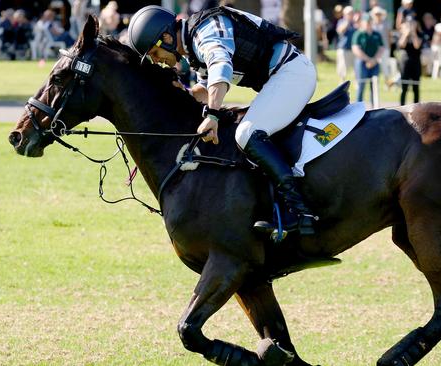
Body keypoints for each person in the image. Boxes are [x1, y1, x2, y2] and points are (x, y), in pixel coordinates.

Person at [127, 5, 318, 236]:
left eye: (155, 54)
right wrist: (183, 93)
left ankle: (300, 210)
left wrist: (213, 115)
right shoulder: (193, 49)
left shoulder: (205, 30)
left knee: (247, 133)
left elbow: (221, 67)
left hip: (292, 73)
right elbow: (207, 88)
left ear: (166, 37)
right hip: (280, 77)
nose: (158, 61)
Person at [351, 14, 385, 105]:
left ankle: (374, 106)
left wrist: (374, 59)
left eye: (370, 22)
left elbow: (381, 48)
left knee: (374, 86)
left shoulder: (376, 34)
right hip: (361, 62)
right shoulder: (358, 34)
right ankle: (357, 108)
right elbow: (355, 49)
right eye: (366, 22)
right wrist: (368, 59)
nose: (368, 24)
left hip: (375, 62)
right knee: (361, 86)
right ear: (362, 23)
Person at [398, 19, 422, 105]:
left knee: (416, 87)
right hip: (405, 63)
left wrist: (413, 33)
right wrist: (406, 34)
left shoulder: (419, 34)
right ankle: (402, 106)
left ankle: (416, 106)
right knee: (404, 87)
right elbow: (401, 44)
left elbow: (417, 46)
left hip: (415, 62)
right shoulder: (401, 35)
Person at [335, 5, 356, 82]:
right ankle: (341, 83)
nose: (351, 15)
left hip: (353, 49)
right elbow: (340, 30)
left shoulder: (355, 23)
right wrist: (347, 22)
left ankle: (356, 84)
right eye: (349, 13)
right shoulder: (341, 21)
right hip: (343, 48)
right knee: (343, 68)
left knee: (355, 69)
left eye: (352, 13)